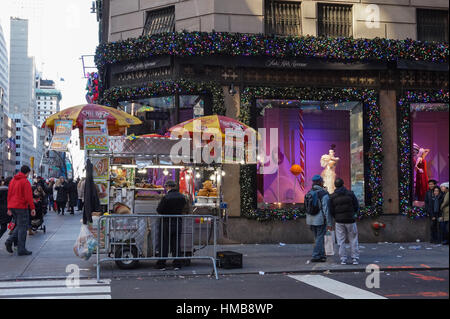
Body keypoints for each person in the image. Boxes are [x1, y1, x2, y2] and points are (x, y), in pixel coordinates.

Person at [155, 180, 187, 270]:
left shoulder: (166, 197)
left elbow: (159, 210)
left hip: (166, 222)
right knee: (176, 244)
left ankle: (162, 264)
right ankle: (177, 264)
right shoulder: (182, 197)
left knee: (164, 243)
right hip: (177, 222)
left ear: (168, 187)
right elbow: (185, 208)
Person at [4, 165, 36, 256]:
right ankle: (20, 248)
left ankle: (10, 241)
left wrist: (9, 207)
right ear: (27, 173)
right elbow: (28, 197)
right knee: (23, 228)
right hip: (21, 207)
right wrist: (32, 208)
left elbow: (9, 194)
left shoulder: (13, 180)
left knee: (19, 225)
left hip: (13, 206)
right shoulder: (25, 182)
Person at [329, 178, 360, 265]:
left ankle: (343, 259)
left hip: (339, 221)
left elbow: (331, 210)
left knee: (341, 240)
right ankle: (355, 258)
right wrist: (353, 214)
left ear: (335, 185)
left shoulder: (332, 196)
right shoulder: (350, 194)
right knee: (353, 239)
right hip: (350, 219)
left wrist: (336, 217)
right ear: (343, 184)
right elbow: (356, 206)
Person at [305, 175, 332, 262]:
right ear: (320, 182)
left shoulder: (309, 192)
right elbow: (326, 209)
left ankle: (322, 255)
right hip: (320, 219)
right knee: (320, 238)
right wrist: (329, 223)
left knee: (317, 237)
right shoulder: (323, 194)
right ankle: (316, 255)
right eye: (322, 182)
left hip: (310, 219)